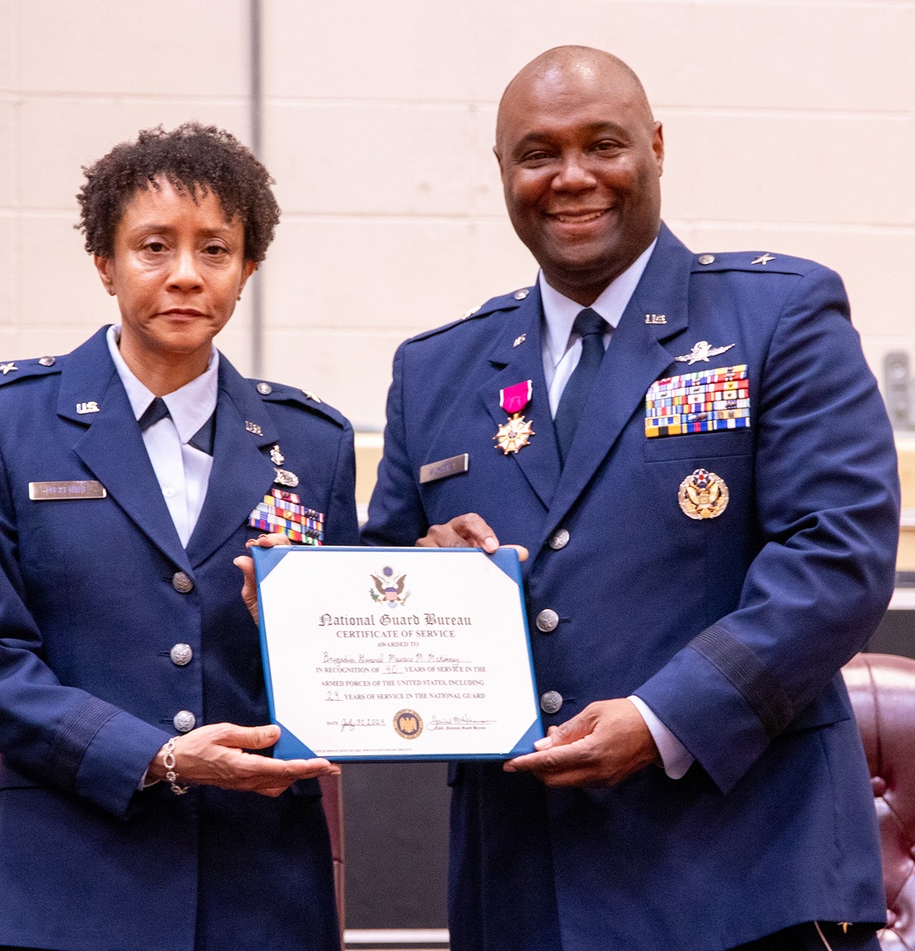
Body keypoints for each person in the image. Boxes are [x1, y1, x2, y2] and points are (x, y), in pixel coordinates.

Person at [361, 46, 900, 951]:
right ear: (504, 172)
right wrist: (413, 576)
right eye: (538, 154)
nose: (572, 177)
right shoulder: (437, 369)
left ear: (654, 146)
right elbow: (376, 581)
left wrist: (663, 720)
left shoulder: (776, 315)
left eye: (602, 144)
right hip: (522, 885)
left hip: (744, 875)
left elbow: (836, 555)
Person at [0, 122, 358, 951]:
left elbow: (343, 671)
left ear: (248, 268)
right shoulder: (7, 420)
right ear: (105, 262)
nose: (186, 275)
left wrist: (316, 635)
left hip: (264, 895)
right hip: (73, 885)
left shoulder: (312, 441)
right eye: (154, 246)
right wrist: (158, 756)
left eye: (217, 249)